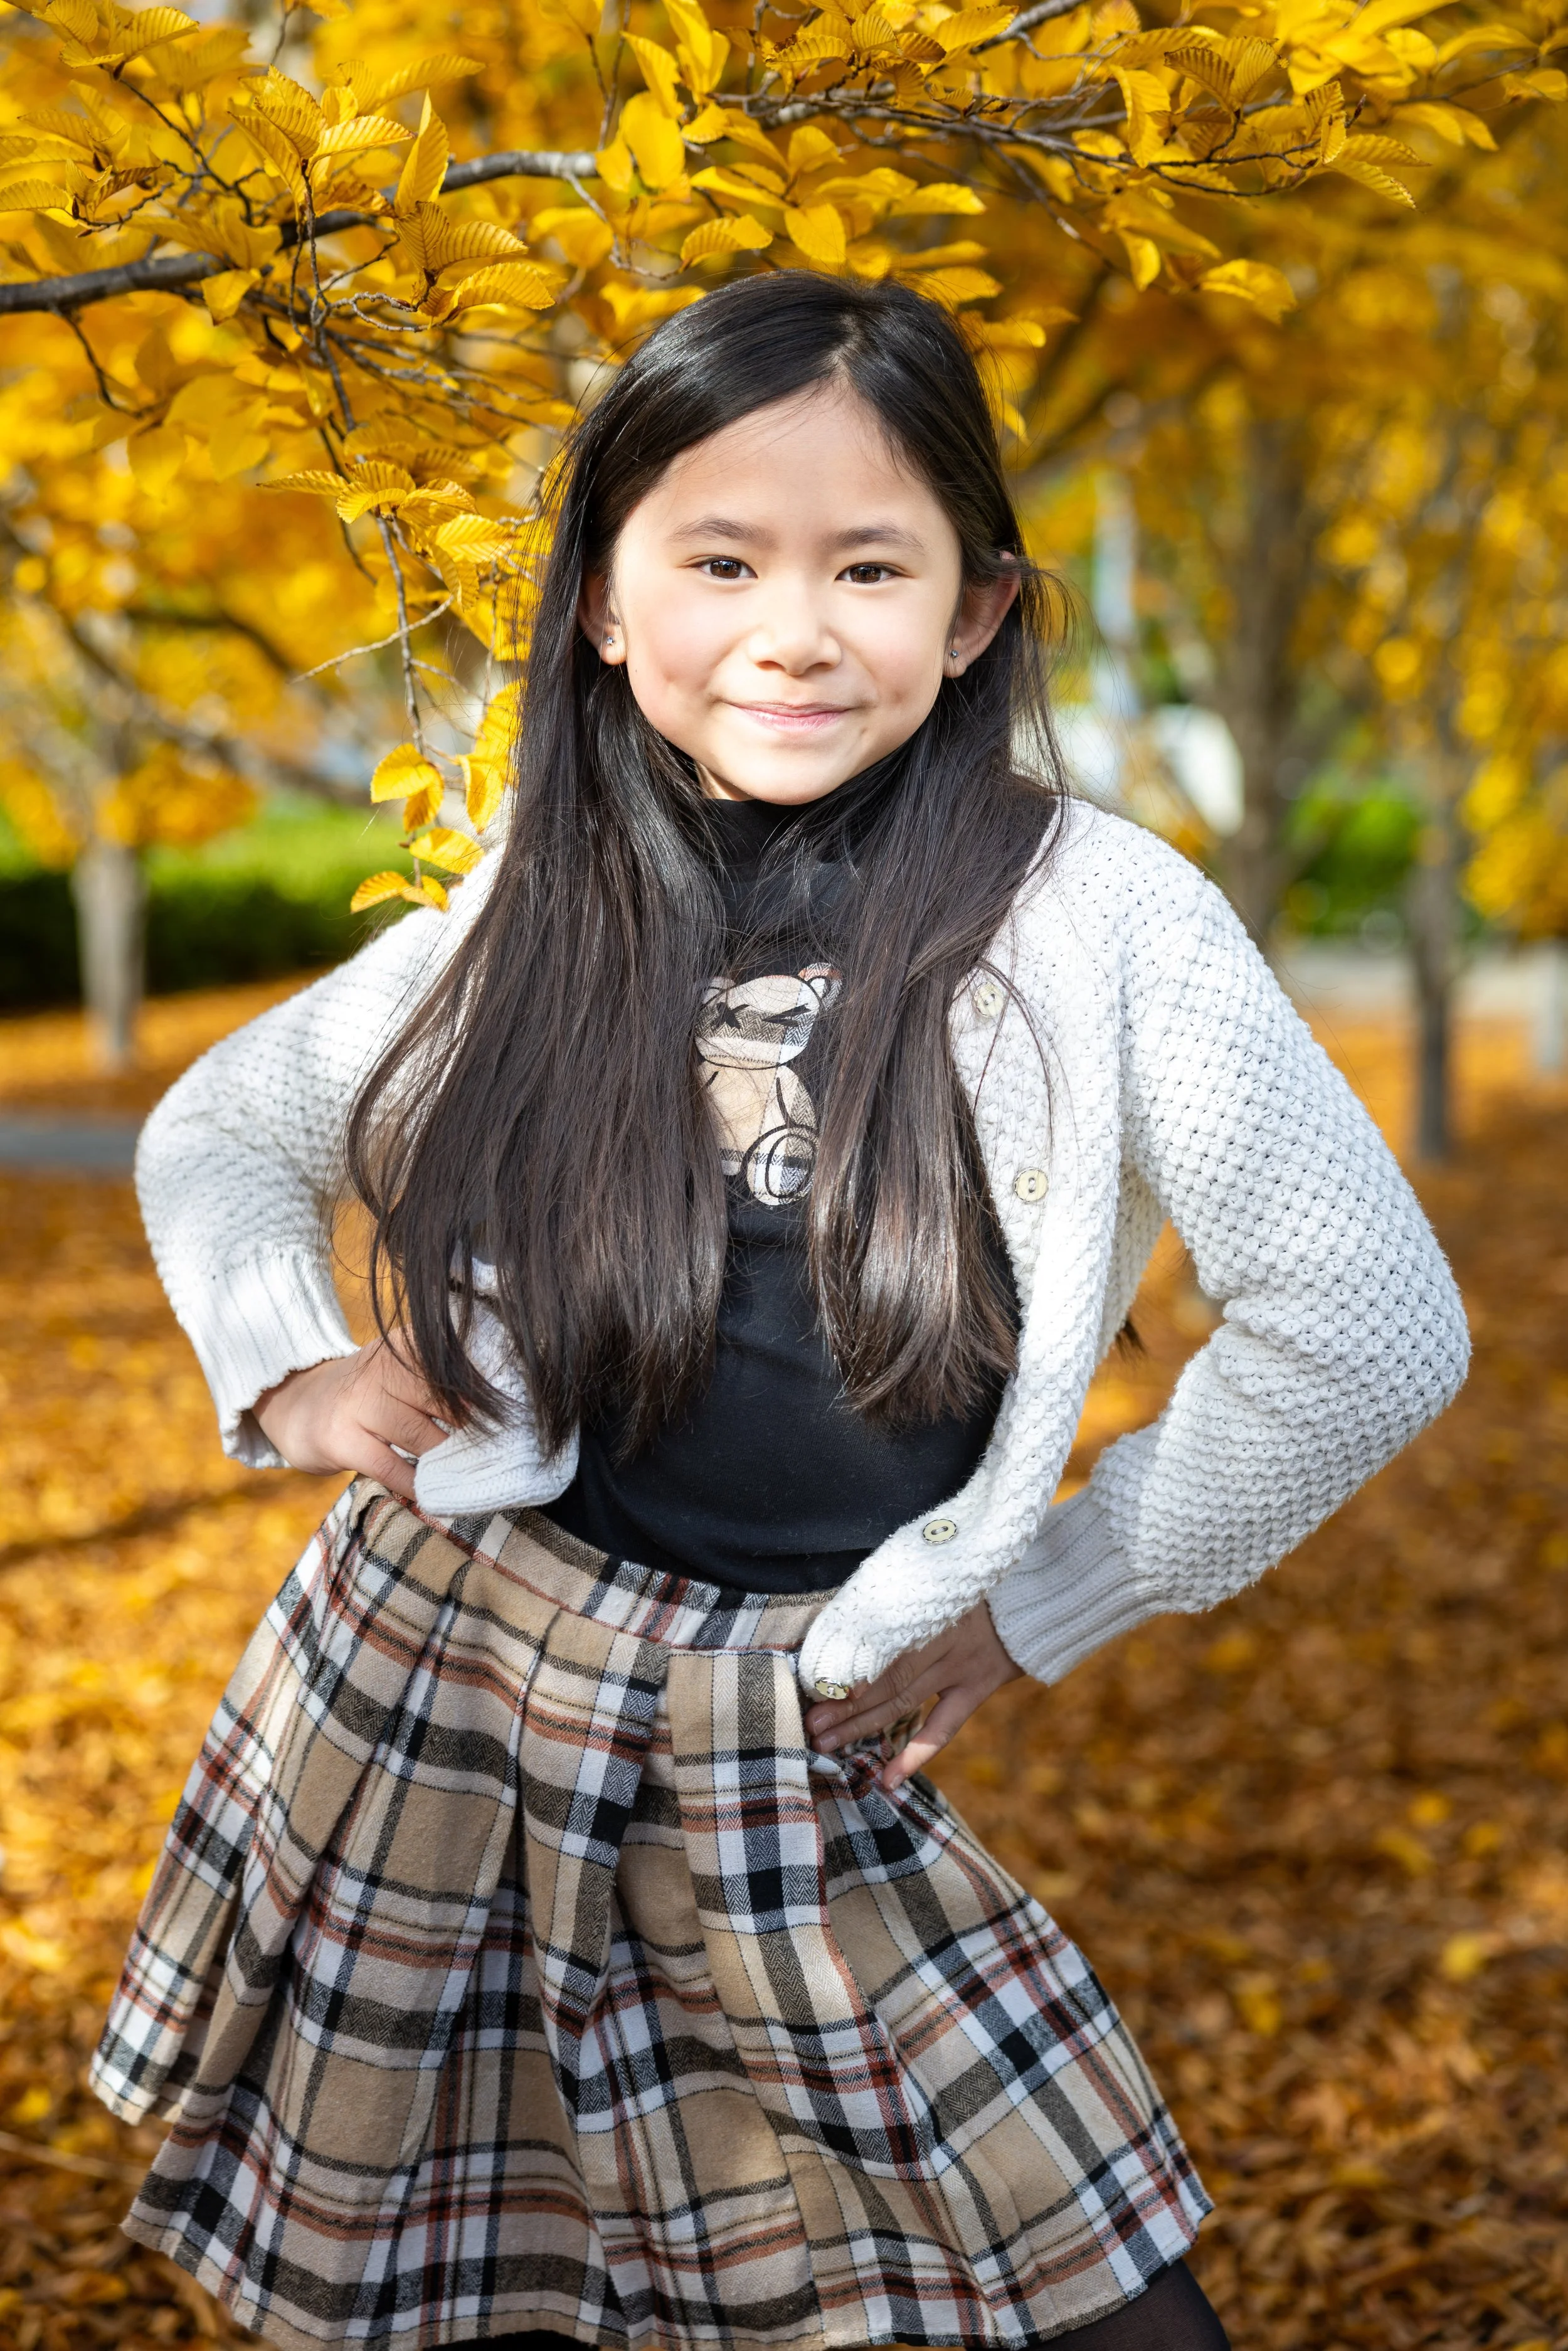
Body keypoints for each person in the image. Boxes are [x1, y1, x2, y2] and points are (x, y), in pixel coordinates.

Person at [90, 272, 1468, 2351]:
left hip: (782, 1727)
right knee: (492, 2272)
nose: (792, 627)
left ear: (978, 609)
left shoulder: (1096, 917)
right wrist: (283, 1350)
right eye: (718, 558)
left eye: (869, 565)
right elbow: (225, 1123)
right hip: (455, 1667)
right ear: (601, 602)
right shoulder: (541, 893)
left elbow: (1360, 1319)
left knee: (1077, 2298)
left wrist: (1044, 1599)